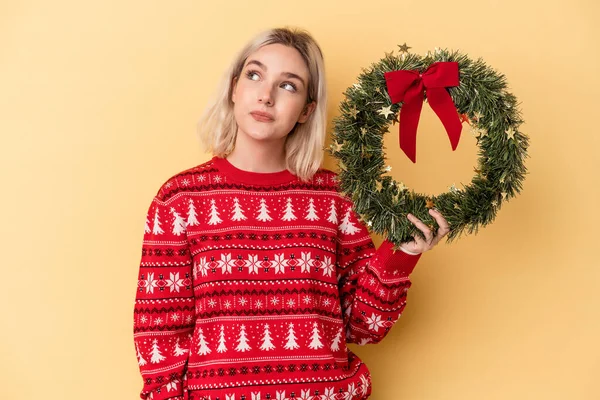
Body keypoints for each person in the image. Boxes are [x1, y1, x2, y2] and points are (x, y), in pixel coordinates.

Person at [133, 26, 449, 400]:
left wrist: (404, 254)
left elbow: (363, 327)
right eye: (254, 75)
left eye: (288, 85)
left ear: (306, 111)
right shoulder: (180, 199)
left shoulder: (334, 197)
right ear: (234, 89)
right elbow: (160, 333)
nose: (265, 96)